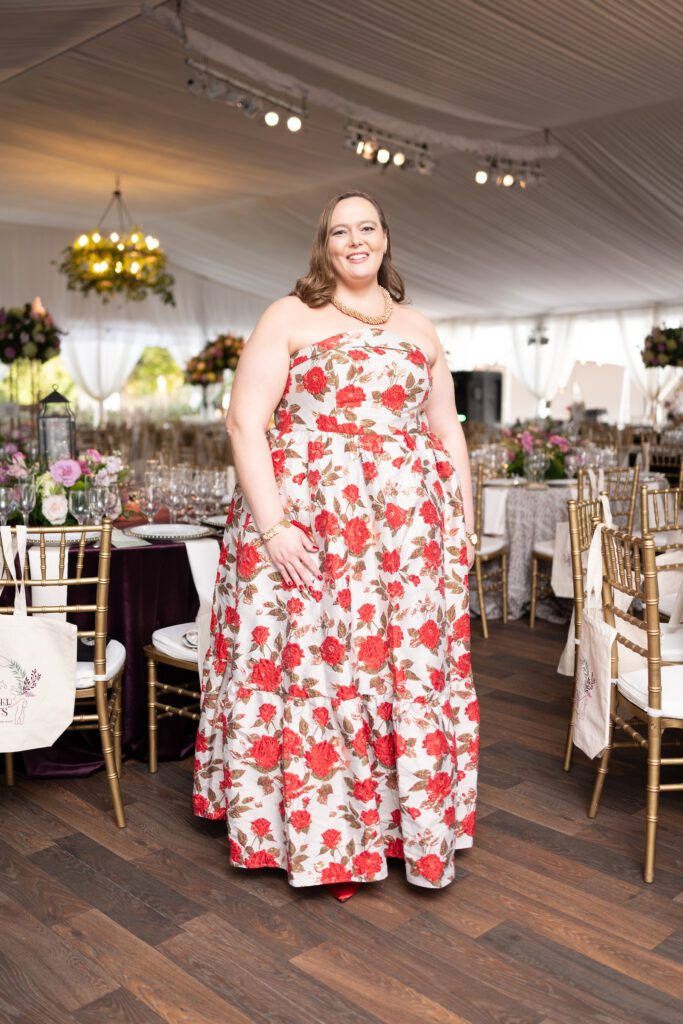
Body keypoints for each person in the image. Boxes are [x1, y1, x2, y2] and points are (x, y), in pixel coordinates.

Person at [193, 190, 479, 897]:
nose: (356, 241)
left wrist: (463, 523)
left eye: (368, 228)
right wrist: (274, 527)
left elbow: (446, 430)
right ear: (324, 244)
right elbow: (242, 423)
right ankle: (315, 833)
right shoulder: (287, 315)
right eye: (340, 231)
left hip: (409, 535)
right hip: (306, 524)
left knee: (400, 668)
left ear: (386, 238)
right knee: (314, 663)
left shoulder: (418, 325)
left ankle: (393, 824)